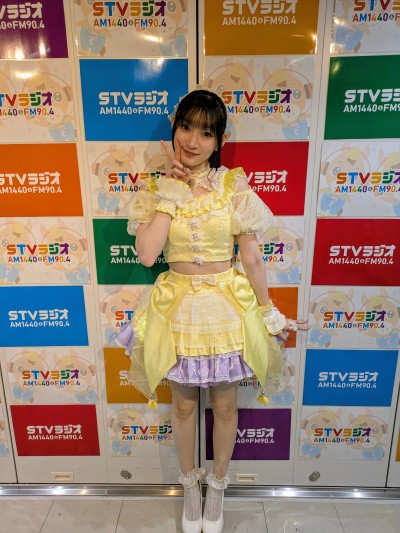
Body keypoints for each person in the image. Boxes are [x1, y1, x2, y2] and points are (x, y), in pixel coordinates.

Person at [115, 89, 307, 533]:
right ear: (174, 129)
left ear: (219, 141)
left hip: (224, 308)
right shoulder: (156, 189)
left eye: (206, 132)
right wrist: (170, 192)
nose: (192, 140)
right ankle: (189, 487)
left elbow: (252, 257)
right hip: (178, 308)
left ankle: (217, 486)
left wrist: (267, 310)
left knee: (224, 405)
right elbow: (147, 254)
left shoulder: (232, 186)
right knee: (183, 407)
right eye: (186, 127)